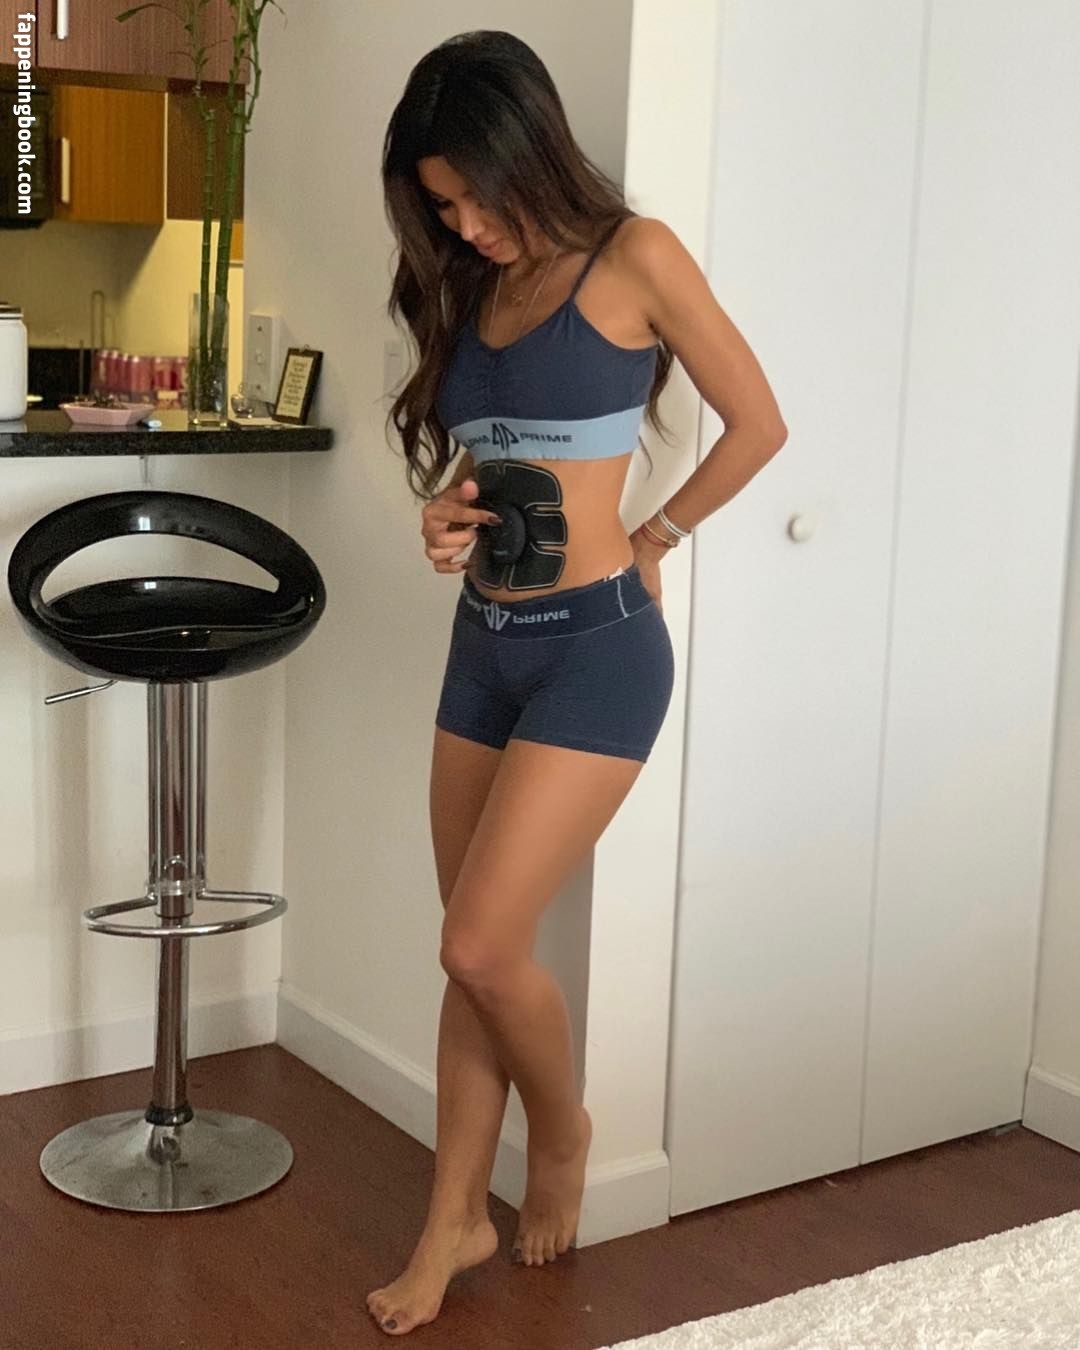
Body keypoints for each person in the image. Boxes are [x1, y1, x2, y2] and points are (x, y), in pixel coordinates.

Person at [371, 29, 787, 1337]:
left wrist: (657, 536)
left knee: (479, 943)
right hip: (481, 648)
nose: (463, 225)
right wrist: (447, 513)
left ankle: (561, 1133)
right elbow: (494, 460)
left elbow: (761, 423)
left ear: (530, 150)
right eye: (442, 206)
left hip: (598, 648)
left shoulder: (635, 258)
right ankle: (452, 1218)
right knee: (473, 959)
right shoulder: (472, 285)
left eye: (474, 197)